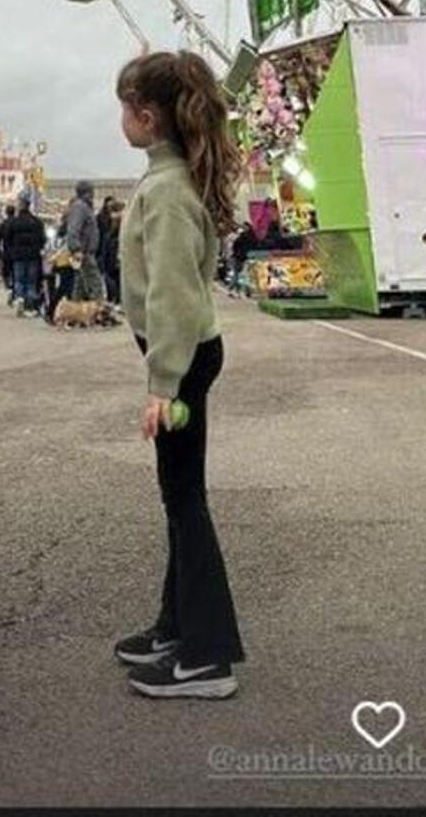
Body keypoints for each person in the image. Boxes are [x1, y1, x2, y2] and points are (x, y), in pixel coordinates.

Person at [112, 50, 245, 700]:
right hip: (192, 351)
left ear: (146, 116)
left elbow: (172, 296)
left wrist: (161, 384)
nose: (120, 120)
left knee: (185, 500)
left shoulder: (165, 192)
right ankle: (176, 625)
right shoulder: (173, 178)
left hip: (182, 357)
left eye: (124, 108)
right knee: (178, 496)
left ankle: (206, 655)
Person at [3, 191, 46, 314]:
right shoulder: (37, 222)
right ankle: (30, 305)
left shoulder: (14, 222)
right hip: (33, 256)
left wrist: (11, 252)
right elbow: (42, 239)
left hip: (18, 256)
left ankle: (20, 301)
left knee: (19, 280)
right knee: (31, 281)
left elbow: (7, 239)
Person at [65, 180, 104, 300]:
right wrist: (76, 249)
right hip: (84, 253)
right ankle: (98, 310)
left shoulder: (84, 207)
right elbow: (73, 229)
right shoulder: (80, 207)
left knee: (80, 287)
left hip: (85, 252)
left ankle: (75, 312)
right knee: (95, 285)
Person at [0, 203, 16, 299]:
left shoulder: (3, 225)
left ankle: (9, 287)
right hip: (17, 253)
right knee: (16, 273)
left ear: (6, 213)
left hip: (6, 253)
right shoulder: (17, 223)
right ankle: (15, 290)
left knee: (6, 272)